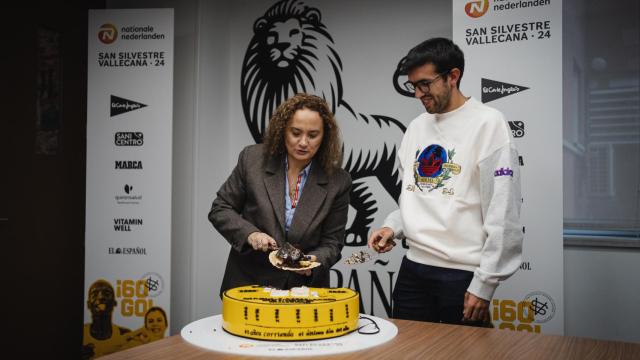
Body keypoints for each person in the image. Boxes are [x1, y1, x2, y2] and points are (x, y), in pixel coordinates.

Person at [368, 38, 523, 326]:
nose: (418, 94)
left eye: (424, 84)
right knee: (408, 354)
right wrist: (393, 226)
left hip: (462, 275)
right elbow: (414, 196)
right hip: (412, 269)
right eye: (413, 86)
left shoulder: (488, 123)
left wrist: (485, 284)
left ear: (453, 76)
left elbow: (502, 211)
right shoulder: (416, 127)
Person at [209, 93, 352, 295]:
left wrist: (313, 262)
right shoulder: (252, 160)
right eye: (295, 133)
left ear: (324, 137)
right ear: (282, 130)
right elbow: (220, 209)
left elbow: (332, 243)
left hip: (303, 291)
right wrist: (251, 234)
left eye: (312, 135)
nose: (303, 142)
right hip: (248, 284)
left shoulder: (339, 181)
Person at [82, 280, 131, 359]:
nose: (101, 297)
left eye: (107, 294)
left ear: (114, 303)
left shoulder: (125, 334)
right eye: (94, 294)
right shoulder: (81, 333)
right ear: (88, 304)